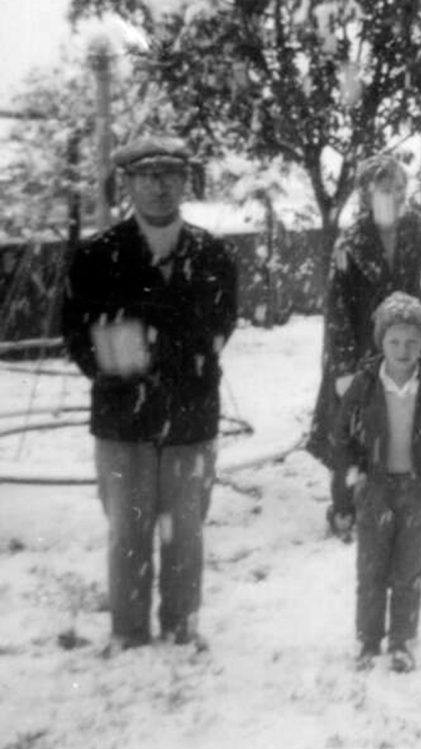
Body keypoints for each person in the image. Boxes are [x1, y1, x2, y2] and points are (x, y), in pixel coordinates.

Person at [61, 135, 238, 653]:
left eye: (170, 176)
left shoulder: (213, 254)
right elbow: (76, 330)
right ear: (129, 184)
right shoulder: (97, 256)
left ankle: (182, 626)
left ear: (185, 181)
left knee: (185, 531)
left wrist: (181, 358)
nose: (160, 187)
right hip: (123, 421)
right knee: (129, 532)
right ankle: (129, 632)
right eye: (147, 177)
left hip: (190, 419)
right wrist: (120, 361)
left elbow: (222, 325)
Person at [307, 154, 421, 540]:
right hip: (361, 356)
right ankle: (344, 509)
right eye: (387, 190)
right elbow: (336, 312)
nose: (397, 197)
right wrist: (342, 369)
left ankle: (395, 505)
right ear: (367, 195)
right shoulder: (350, 245)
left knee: (402, 432)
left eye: (402, 190)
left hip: (409, 354)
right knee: (351, 435)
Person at [329, 292, 421, 672]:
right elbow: (342, 435)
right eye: (395, 341)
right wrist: (354, 478)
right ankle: (369, 640)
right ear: (381, 342)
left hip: (416, 487)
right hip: (375, 487)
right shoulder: (366, 384)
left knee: (408, 569)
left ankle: (401, 640)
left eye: (412, 342)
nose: (403, 350)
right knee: (372, 568)